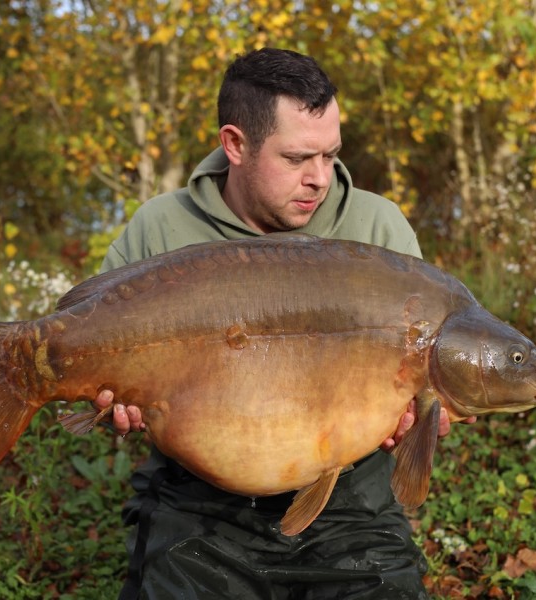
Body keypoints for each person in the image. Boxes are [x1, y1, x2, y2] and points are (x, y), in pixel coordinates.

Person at [93, 47, 469, 600]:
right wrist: (110, 410)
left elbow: (426, 386)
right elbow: (92, 375)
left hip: (349, 500)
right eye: (297, 159)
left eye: (331, 154)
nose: (320, 178)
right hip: (198, 501)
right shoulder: (162, 228)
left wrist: (419, 424)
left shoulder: (377, 227)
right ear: (235, 144)